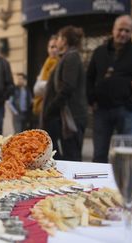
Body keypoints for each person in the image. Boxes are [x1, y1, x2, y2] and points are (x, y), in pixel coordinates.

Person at [86, 15, 132, 163]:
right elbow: (89, 77)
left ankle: (125, 184)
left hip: (126, 110)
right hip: (101, 110)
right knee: (99, 155)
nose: (123, 33)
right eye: (120, 29)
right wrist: (92, 99)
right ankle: (99, 185)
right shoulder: (99, 52)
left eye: (127, 30)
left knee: (126, 155)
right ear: (113, 29)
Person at [41, 26, 87, 161]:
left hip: (73, 116)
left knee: (72, 156)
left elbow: (67, 87)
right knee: (66, 154)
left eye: (60, 37)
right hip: (67, 116)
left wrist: (51, 108)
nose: (57, 41)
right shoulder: (67, 57)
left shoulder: (72, 57)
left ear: (65, 40)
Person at [33, 35, 59, 127]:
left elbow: (47, 87)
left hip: (53, 108)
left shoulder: (60, 63)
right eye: (51, 47)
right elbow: (37, 89)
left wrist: (39, 85)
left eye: (56, 47)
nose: (53, 50)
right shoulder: (46, 63)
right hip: (43, 107)